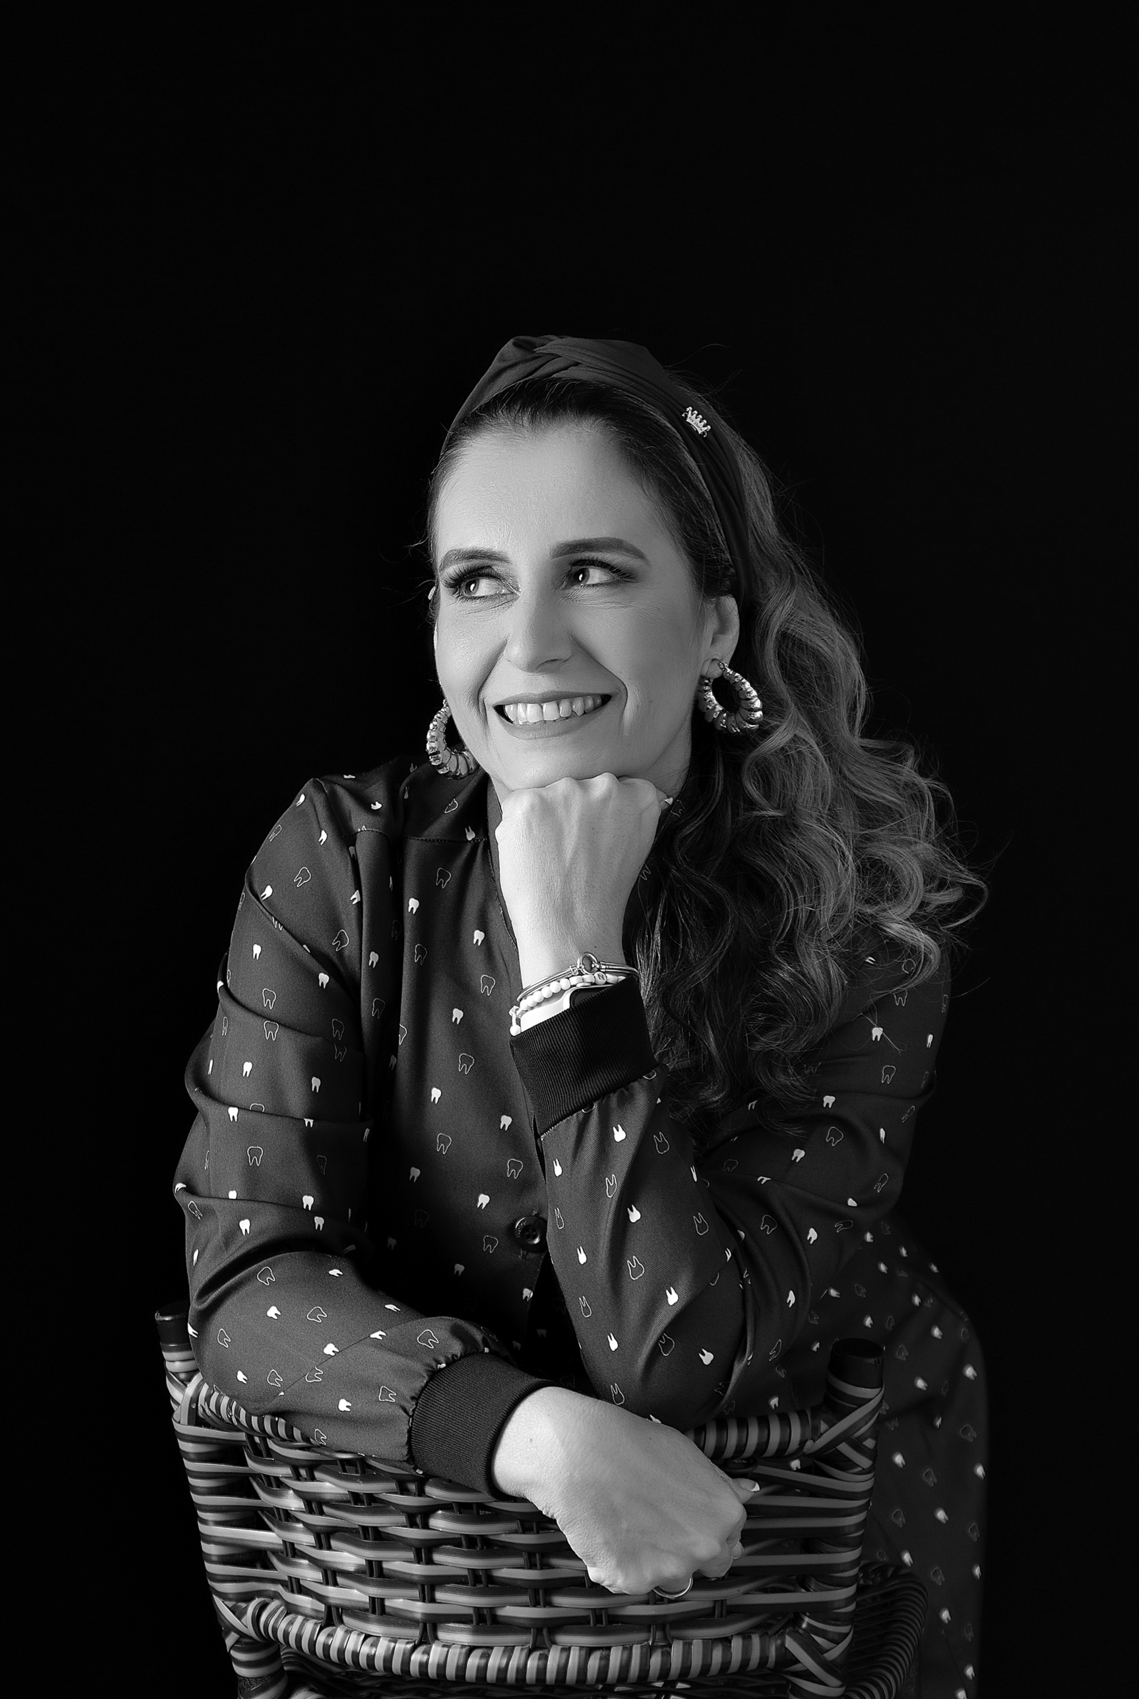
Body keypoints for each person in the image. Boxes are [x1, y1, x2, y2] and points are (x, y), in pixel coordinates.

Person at [174, 334, 988, 1697]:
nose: (531, 642)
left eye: (596, 572)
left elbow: (679, 1368)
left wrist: (570, 967)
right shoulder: (338, 861)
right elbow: (248, 1281)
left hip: (787, 1580)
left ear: (715, 624)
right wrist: (527, 1433)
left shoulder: (862, 931)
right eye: (477, 581)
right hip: (424, 1584)